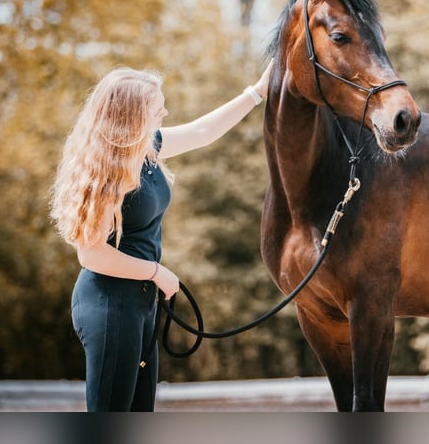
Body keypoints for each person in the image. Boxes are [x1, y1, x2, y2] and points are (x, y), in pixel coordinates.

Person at [49, 64, 272, 411]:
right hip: (110, 303)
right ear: (133, 113)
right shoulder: (107, 169)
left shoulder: (146, 148)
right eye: (157, 107)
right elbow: (90, 254)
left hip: (140, 302)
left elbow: (202, 131)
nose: (164, 112)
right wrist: (156, 273)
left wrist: (257, 93)